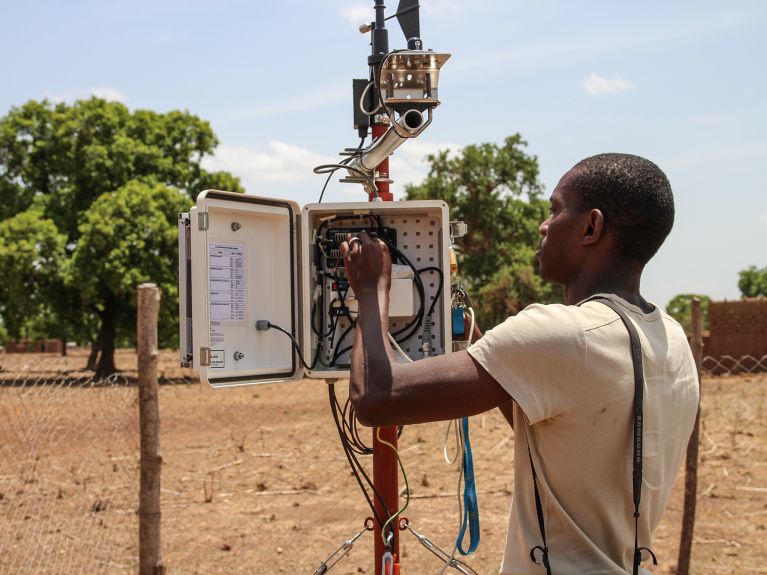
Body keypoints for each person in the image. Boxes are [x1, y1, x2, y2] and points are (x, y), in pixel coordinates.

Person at [339, 153, 699, 574]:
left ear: (591, 227)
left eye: (555, 210)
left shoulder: (564, 333)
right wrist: (482, 344)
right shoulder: (672, 338)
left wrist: (370, 288)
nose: (544, 225)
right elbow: (559, 430)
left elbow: (376, 399)